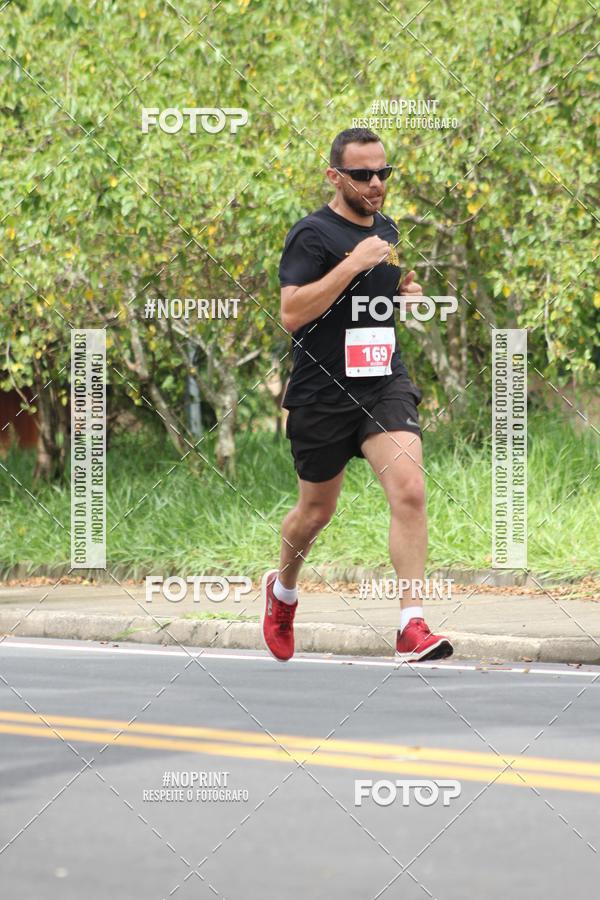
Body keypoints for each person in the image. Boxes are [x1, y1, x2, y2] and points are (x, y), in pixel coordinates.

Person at [262, 127, 453, 664]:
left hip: (382, 383)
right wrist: (351, 265)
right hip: (322, 393)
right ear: (334, 176)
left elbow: (371, 295)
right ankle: (283, 593)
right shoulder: (311, 235)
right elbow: (293, 313)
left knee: (410, 489)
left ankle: (410, 624)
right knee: (315, 512)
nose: (375, 184)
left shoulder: (386, 229)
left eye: (383, 173)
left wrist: (402, 292)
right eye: (362, 174)